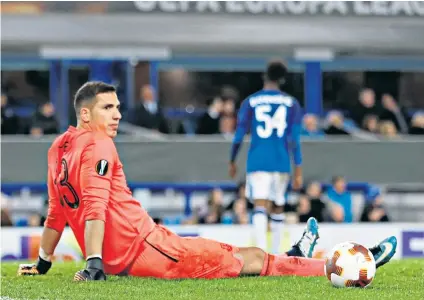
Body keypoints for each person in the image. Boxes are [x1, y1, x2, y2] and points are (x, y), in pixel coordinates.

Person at [18, 81, 397, 281]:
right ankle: (345, 264)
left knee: (234, 252)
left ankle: (294, 256)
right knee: (251, 260)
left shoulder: (59, 147)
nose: (117, 114)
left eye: (117, 106)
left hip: (146, 247)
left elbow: (58, 210)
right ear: (86, 114)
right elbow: (95, 206)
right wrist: (95, 263)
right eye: (108, 107)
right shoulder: (99, 144)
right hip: (151, 250)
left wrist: (44, 261)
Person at [228, 60, 303, 254]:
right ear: (282, 80)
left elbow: (238, 137)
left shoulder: (250, 102)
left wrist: (232, 160)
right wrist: (299, 168)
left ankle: (261, 255)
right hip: (281, 161)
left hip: (258, 161)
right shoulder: (291, 103)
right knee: (278, 207)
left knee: (260, 205)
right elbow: (294, 139)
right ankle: (276, 254)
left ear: (264, 77)